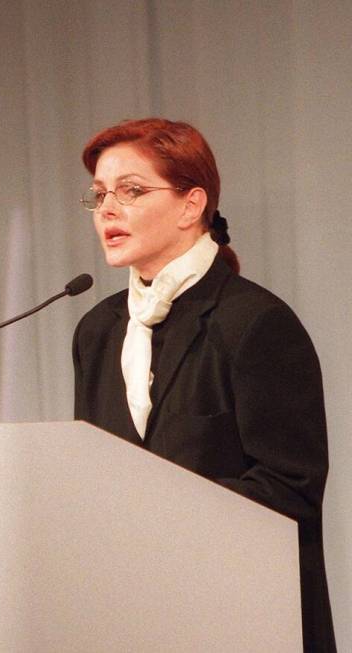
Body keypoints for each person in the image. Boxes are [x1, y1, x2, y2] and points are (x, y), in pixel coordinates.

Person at [71, 118, 335, 651]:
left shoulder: (255, 323)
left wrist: (157, 517)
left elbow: (290, 489)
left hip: (243, 615)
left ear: (192, 206)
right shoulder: (96, 330)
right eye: (99, 195)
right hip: (133, 616)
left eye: (131, 191)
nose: (107, 210)